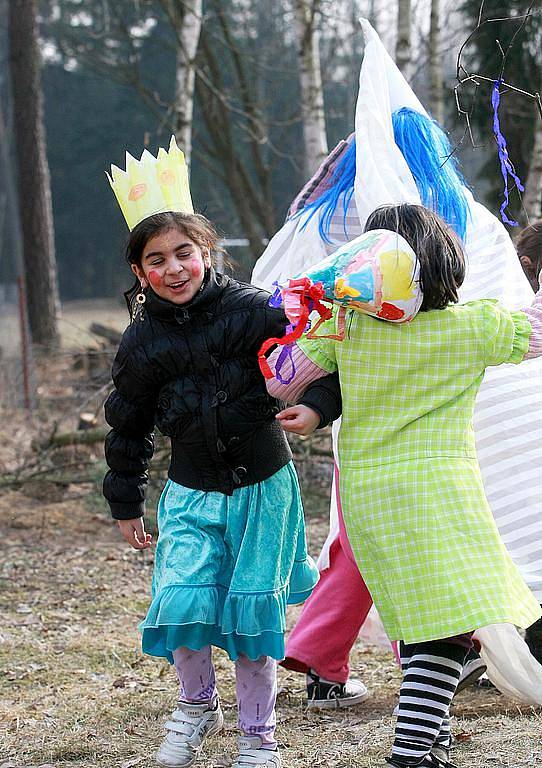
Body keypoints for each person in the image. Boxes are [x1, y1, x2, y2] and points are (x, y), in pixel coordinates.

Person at [253, 17, 542, 708]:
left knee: (379, 557)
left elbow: (283, 345)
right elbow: (522, 329)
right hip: (456, 447)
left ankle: (341, 657)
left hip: (380, 457)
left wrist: (297, 375)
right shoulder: (460, 245)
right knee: (459, 563)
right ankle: (424, 675)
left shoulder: (338, 253)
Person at [267, 203, 542, 768]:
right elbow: (536, 337)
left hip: (367, 498)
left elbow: (282, 379)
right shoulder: (471, 325)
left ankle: (430, 740)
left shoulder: (345, 330)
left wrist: (312, 307)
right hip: (438, 494)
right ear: (443, 259)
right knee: (452, 622)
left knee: (428, 616)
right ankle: (413, 750)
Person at [102, 137, 341, 768]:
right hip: (190, 491)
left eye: (184, 252)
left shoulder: (256, 310)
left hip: (263, 486)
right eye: (157, 260)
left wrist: (317, 407)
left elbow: (321, 364)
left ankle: (257, 737)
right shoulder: (140, 343)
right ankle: (196, 704)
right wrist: (125, 497)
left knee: (248, 620)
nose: (174, 268)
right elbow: (127, 424)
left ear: (206, 251)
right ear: (140, 272)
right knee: (181, 602)